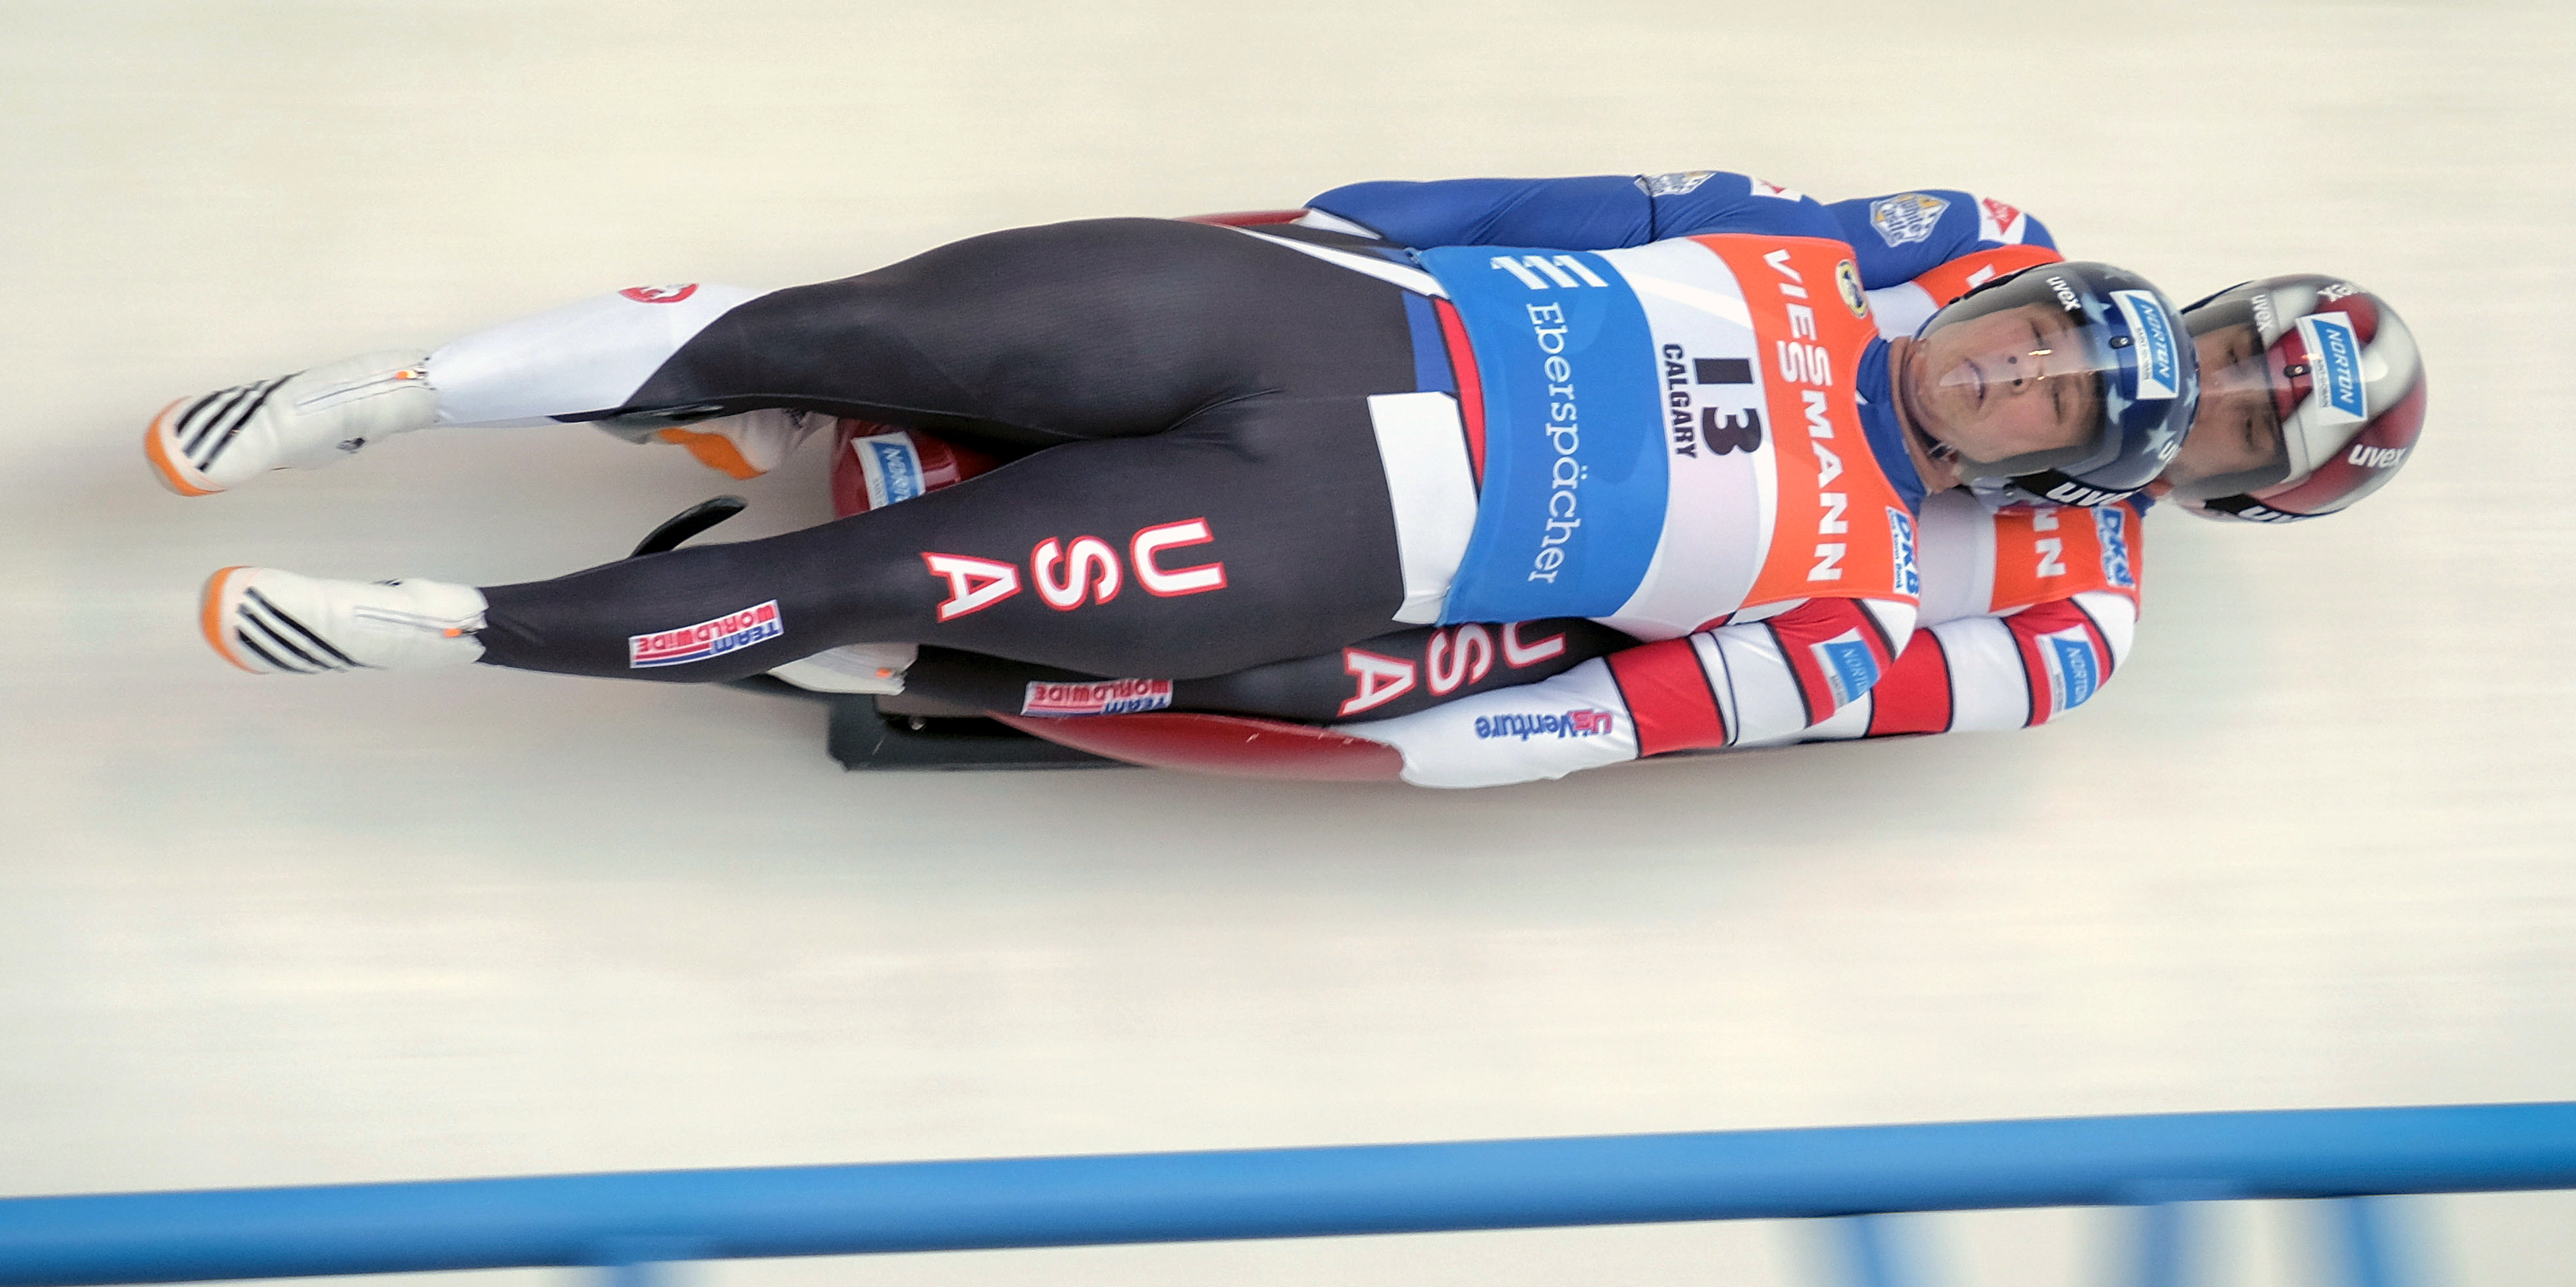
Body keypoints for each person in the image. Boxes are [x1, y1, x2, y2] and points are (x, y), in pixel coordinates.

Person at [148, 189, 2197, 787]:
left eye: (2037, 401)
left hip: (1351, 538)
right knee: (821, 321)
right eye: (2028, 326)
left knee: (878, 581)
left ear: (2026, 477)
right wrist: (1307, 226)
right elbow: (1517, 197)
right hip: (1324, 329)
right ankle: (387, 395)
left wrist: (1386, 730)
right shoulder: (1810, 256)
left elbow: (1600, 716)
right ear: (1997, 287)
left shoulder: (1854, 584)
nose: (2008, 366)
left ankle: (441, 631)